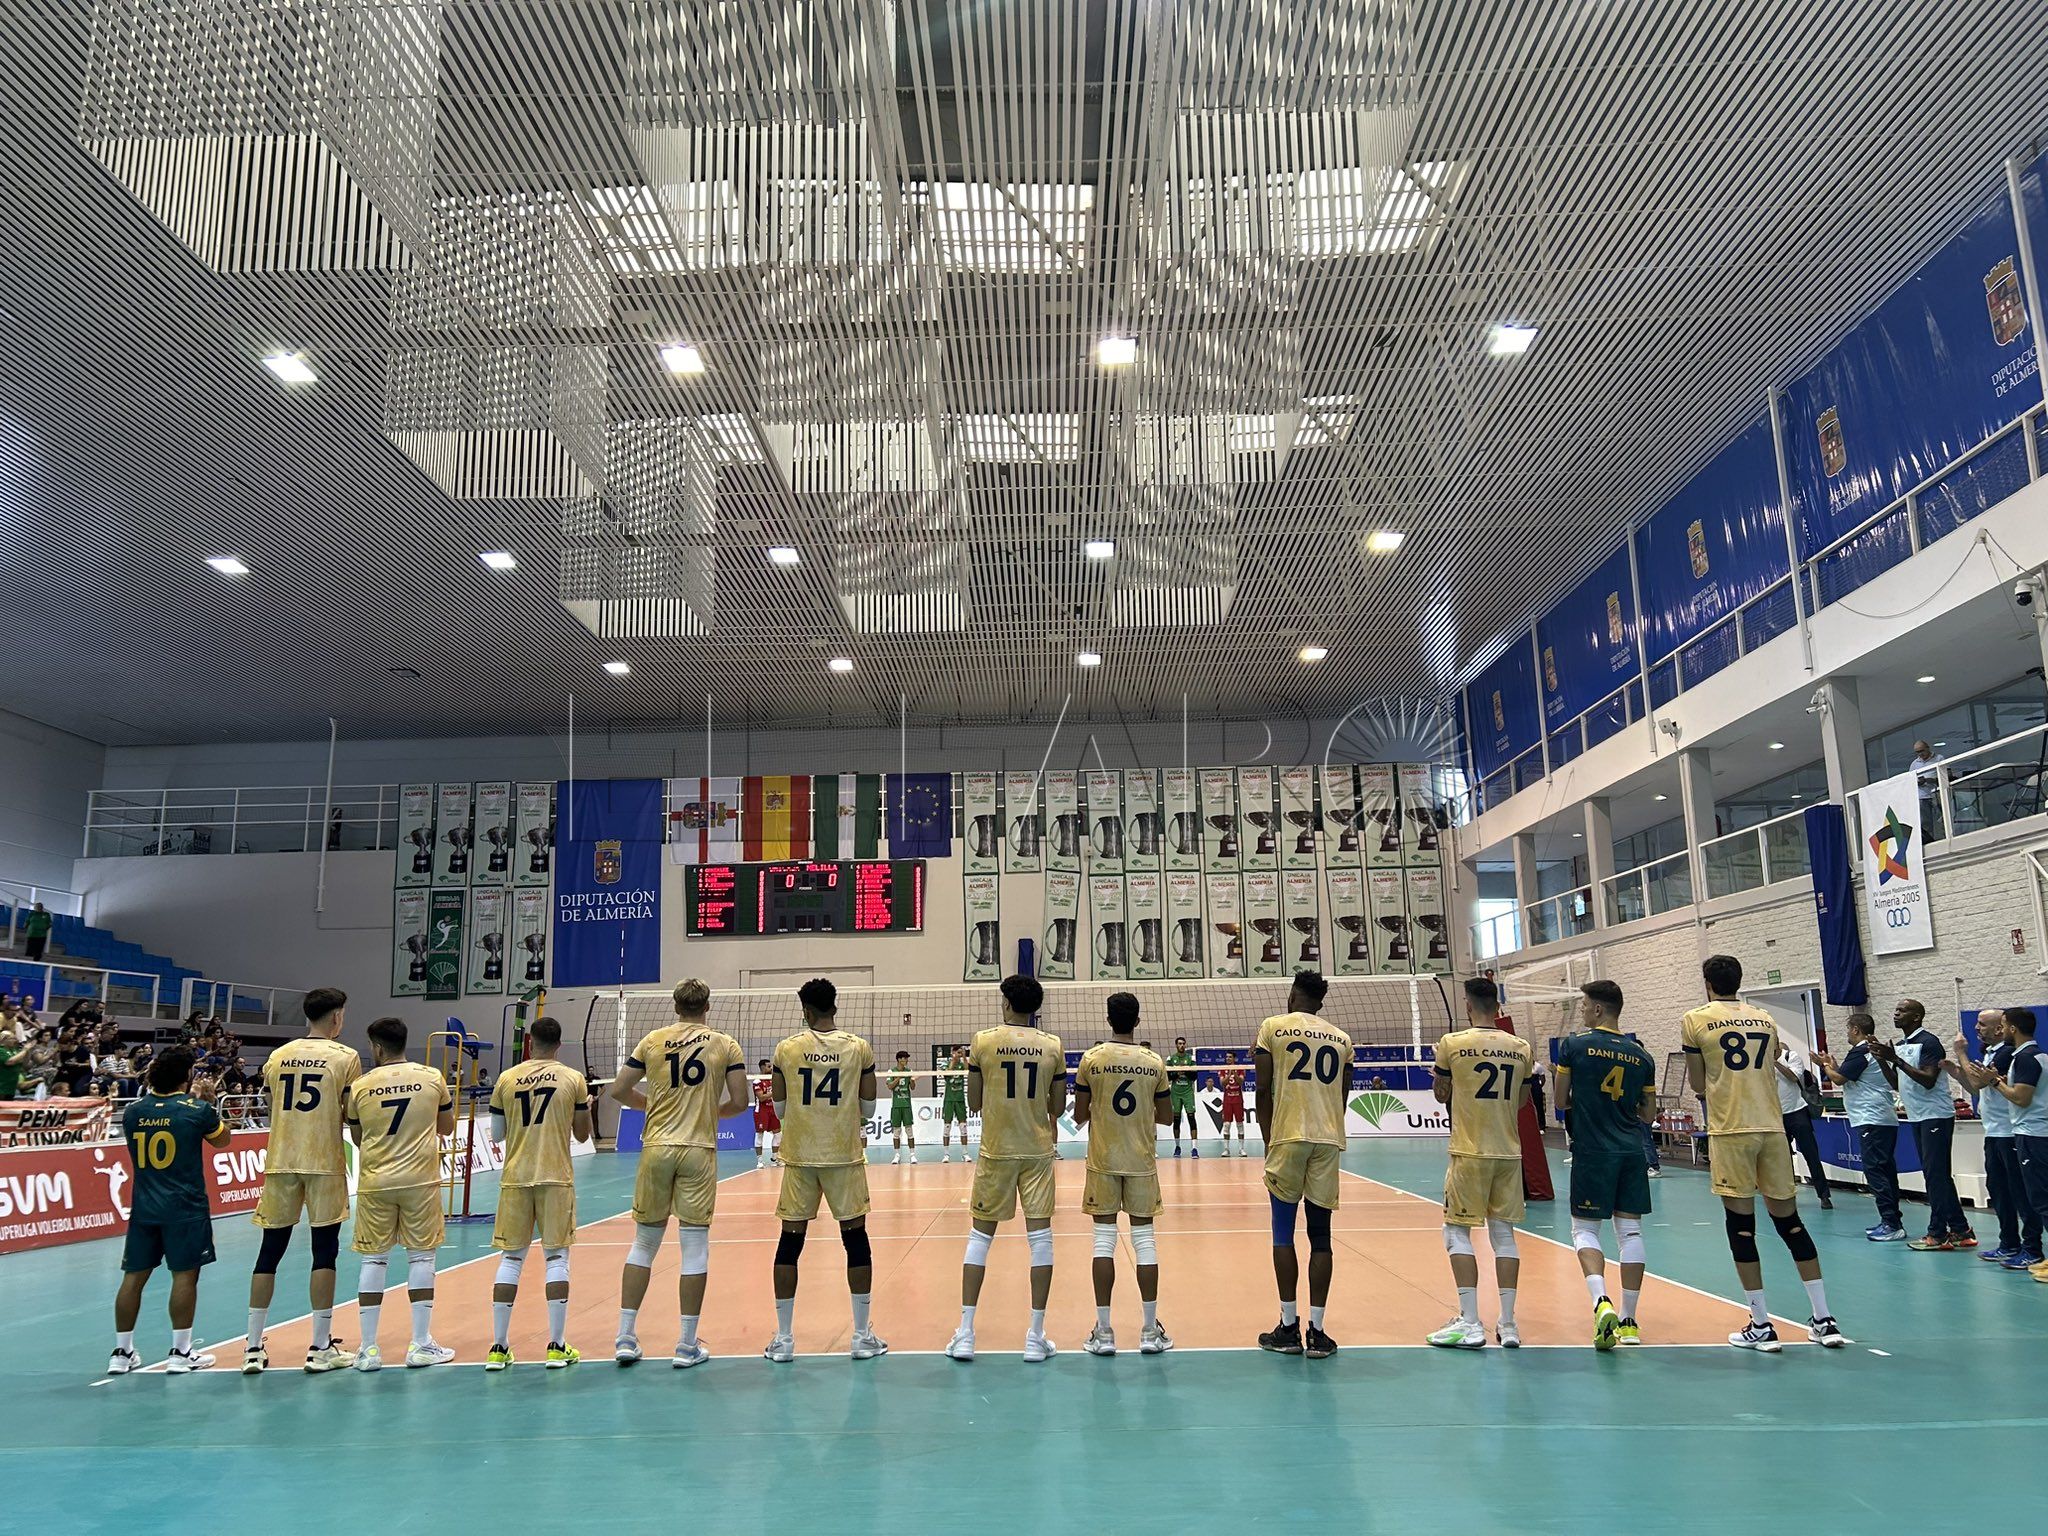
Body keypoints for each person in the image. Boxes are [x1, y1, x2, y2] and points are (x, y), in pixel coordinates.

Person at [1683, 955, 1845, 1350]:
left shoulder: (1695, 1019)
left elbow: (1698, 1083)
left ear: (1707, 982)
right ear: (1739, 981)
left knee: (1740, 1227)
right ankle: (1824, 1319)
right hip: (1772, 1126)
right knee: (1790, 1224)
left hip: (1731, 1128)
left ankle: (1760, 1324)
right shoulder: (1764, 1018)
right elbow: (1772, 1061)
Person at [607, 979, 748, 1367]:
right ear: (707, 1006)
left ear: (675, 1006)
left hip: (657, 1148)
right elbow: (741, 1100)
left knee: (643, 1244)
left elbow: (618, 1091)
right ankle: (686, 1344)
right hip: (698, 1151)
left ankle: (624, 1337)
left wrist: (650, 1106)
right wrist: (710, 1114)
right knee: (695, 1247)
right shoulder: (724, 1044)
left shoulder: (652, 1040)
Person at [765, 978, 886, 1364]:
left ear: (805, 1011)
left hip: (800, 1158)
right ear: (834, 1006)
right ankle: (862, 1336)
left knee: (790, 1243)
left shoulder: (786, 1049)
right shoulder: (858, 1049)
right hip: (843, 1157)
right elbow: (868, 1109)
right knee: (855, 1239)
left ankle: (783, 1340)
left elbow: (780, 1110)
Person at [947, 973, 1065, 1362]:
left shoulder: (983, 1041)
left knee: (980, 1239)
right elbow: (1058, 1108)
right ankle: (1035, 1336)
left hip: (997, 1151)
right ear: (1036, 1008)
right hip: (1036, 1151)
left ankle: (965, 1334)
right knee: (1041, 1240)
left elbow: (975, 1103)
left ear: (1006, 1003)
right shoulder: (1052, 1046)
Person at [243, 986, 361, 1374]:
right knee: (324, 1251)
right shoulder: (346, 1057)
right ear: (337, 1017)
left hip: (280, 1160)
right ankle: (319, 1346)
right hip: (323, 1161)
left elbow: (268, 1102)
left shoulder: (278, 1056)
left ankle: (253, 1348)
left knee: (268, 1251)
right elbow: (349, 1112)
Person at [108, 1048, 234, 1375]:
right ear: (186, 1077)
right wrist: (208, 1100)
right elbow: (223, 1140)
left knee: (133, 1278)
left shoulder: (134, 1112)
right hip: (185, 1207)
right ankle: (181, 1351)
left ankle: (121, 1353)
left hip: (145, 1206)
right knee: (185, 1275)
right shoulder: (197, 1110)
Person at [1426, 977, 1537, 1349]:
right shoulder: (1521, 1048)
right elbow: (1522, 1101)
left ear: (1467, 1005)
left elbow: (1442, 1094)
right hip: (1508, 1152)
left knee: (1456, 1231)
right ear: (1498, 1006)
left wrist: (1444, 1082)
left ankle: (1471, 1322)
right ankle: (1508, 1323)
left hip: (1470, 1150)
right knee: (1503, 1236)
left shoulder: (1452, 1044)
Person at [343, 1017, 457, 1372]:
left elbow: (358, 1138)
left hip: (377, 1181)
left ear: (377, 1048)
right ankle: (421, 1344)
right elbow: (447, 1127)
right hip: (419, 1181)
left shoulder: (361, 1086)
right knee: (421, 1259)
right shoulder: (432, 1077)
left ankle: (368, 1350)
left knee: (373, 1261)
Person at [1553, 980, 1658, 1350]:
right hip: (1631, 1152)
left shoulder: (1575, 1046)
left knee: (1585, 1232)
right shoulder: (1642, 1055)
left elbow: (1561, 1100)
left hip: (1592, 1151)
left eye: (1584, 1005)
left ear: (1598, 1009)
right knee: (1630, 1234)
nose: (1582, 1010)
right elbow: (1648, 1114)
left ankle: (1601, 1303)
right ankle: (1629, 1322)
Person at [485, 1018, 592, 1369]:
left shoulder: (506, 1078)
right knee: (557, 1259)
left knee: (510, 1261)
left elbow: (497, 1136)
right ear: (560, 1044)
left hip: (516, 1178)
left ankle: (498, 1348)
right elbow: (581, 1135)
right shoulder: (572, 1079)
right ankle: (556, 1346)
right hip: (555, 1176)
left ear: (530, 1042)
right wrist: (583, 1108)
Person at [1072, 991, 1173, 1356]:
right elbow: (1166, 1116)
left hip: (1103, 1160)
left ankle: (1104, 1332)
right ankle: (1149, 1331)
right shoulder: (1153, 1062)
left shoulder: (1092, 1060)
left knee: (1103, 1243)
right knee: (1145, 1243)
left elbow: (1080, 1115)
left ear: (1108, 1019)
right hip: (1141, 1162)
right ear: (1138, 1020)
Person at [1254, 970, 1348, 1359]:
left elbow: (1262, 1089)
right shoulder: (1342, 1040)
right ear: (1320, 1002)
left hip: (1288, 1136)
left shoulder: (1273, 1028)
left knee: (1283, 1233)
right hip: (1327, 1139)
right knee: (1321, 1237)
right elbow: (1341, 1098)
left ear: (1292, 996)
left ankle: (1289, 1328)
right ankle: (1319, 1333)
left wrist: (1267, 1139)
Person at [1871, 999, 1974, 1250]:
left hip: (1935, 1115)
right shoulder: (1904, 1044)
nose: (1896, 1014)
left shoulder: (1929, 1042)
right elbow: (1898, 1083)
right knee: (1936, 1175)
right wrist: (1883, 1059)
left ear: (1916, 1017)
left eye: (1902, 1011)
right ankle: (1961, 1230)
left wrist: (1895, 1058)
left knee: (1935, 1176)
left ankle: (1938, 1234)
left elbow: (1928, 1080)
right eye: (1895, 1010)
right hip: (1917, 1116)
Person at [1946, 1010, 2039, 1270]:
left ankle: (2032, 1248)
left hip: (2009, 1132)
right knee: (1999, 1192)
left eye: (1982, 1024)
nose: (1976, 1028)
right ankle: (2009, 1243)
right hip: (1994, 1131)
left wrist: (1961, 1053)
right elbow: (1976, 1086)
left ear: (2001, 1029)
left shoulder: (2007, 1053)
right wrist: (1956, 1071)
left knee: (2021, 1195)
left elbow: (1981, 1081)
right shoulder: (1989, 1052)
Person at [1814, 1013, 1906, 1240]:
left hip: (1871, 1118)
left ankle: (1891, 1224)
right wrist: (1833, 1066)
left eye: (1848, 1029)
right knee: (1885, 1169)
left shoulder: (1861, 1051)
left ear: (1856, 1029)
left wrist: (1825, 1066)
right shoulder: (1872, 1050)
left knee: (1876, 1170)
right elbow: (1847, 1074)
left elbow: (1838, 1079)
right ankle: (1891, 1219)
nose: (1847, 1034)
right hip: (1881, 1117)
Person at [1972, 1007, 2048, 1278]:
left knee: (2038, 1197)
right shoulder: (2029, 1056)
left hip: (2031, 1134)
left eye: (2002, 1025)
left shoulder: (2027, 1058)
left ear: (2012, 1028)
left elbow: (2021, 1098)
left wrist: (1993, 1081)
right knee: (2032, 1195)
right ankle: (2017, 1245)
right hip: (2028, 1132)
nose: (1999, 1030)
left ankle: (2033, 1249)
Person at [1774, 1033, 1833, 1209]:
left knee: (1811, 1155)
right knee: (1780, 1158)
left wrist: (1774, 1062)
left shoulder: (1791, 1057)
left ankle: (1824, 1195)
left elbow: (1793, 1077)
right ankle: (1785, 1194)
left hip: (1797, 1112)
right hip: (1777, 1116)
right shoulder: (1760, 1063)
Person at [1166, 1037, 1199, 1156]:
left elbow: (1194, 1076)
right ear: (1176, 1045)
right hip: (1175, 1092)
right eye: (1180, 1044)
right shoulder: (1171, 1058)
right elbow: (1168, 1077)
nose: (1182, 1046)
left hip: (1188, 1092)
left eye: (1183, 1044)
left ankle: (1194, 1149)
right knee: (1176, 1120)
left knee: (1191, 1118)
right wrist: (1177, 1073)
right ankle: (1177, 1147)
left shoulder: (1191, 1058)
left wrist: (1184, 1071)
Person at [938, 1044, 971, 1162]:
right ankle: (946, 1154)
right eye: (956, 1052)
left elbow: (968, 1071)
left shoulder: (962, 1064)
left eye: (959, 1052)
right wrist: (953, 1059)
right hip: (949, 1099)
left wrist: (964, 1057)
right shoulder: (946, 1064)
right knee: (947, 1127)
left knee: (963, 1127)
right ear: (952, 1052)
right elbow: (947, 1074)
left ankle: (965, 1153)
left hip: (960, 1099)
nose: (958, 1054)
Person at [1217, 1050, 1251, 1156]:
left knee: (1240, 1124)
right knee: (1226, 1125)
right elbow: (1222, 1083)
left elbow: (1240, 1082)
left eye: (1230, 1057)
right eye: (1226, 1057)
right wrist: (1229, 1074)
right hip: (1227, 1100)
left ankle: (1241, 1149)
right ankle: (1226, 1149)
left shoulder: (1240, 1068)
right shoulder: (1223, 1069)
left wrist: (1234, 1073)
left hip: (1238, 1100)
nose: (1227, 1059)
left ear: (1234, 1059)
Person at [1911, 740, 1945, 843]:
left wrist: (1929, 780)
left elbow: (1947, 776)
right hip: (1922, 796)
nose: (1920, 754)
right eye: (1917, 752)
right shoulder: (1914, 764)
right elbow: (1910, 780)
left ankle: (1945, 838)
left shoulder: (1939, 758)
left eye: (1922, 751)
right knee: (1925, 823)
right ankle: (1930, 842)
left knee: (1942, 819)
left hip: (1937, 794)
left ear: (1928, 748)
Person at [888, 1050, 917, 1164]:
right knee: (896, 1132)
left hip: (906, 1106)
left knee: (909, 1131)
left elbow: (913, 1088)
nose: (906, 1060)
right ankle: (897, 1155)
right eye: (904, 1058)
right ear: (899, 1059)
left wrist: (913, 1081)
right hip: (896, 1105)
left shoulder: (909, 1071)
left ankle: (912, 1155)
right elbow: (890, 1086)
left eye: (907, 1058)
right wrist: (899, 1077)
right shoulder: (891, 1071)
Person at [751, 1060, 780, 1168]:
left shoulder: (773, 1080)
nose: (771, 1068)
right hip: (761, 1111)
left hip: (773, 1109)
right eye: (768, 1066)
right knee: (760, 1135)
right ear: (762, 1068)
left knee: (778, 1134)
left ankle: (775, 1159)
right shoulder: (757, 1081)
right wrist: (774, 1093)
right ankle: (760, 1161)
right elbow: (761, 1097)